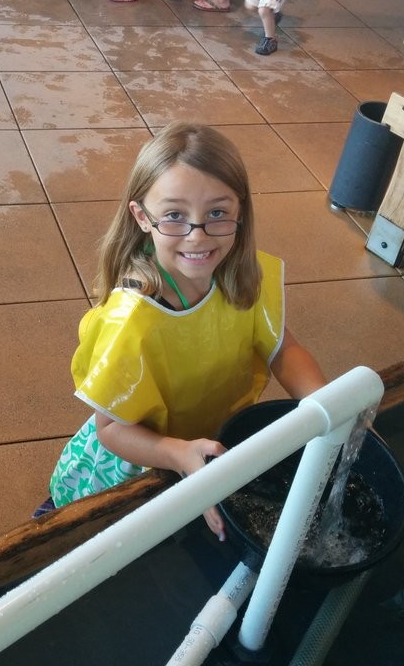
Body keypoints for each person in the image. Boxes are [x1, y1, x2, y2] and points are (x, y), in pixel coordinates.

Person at [38, 121, 327, 540]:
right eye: (175, 215)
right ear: (141, 216)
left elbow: (283, 346)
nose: (198, 236)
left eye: (217, 213)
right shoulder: (131, 320)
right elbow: (112, 429)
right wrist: (177, 453)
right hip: (142, 459)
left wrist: (326, 403)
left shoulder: (244, 274)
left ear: (240, 211)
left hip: (209, 445)